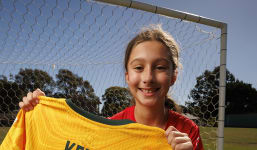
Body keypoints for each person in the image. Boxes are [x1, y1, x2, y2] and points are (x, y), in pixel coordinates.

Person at [19, 25, 204, 150]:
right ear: (127, 76)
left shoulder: (188, 131)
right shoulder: (110, 127)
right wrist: (39, 113)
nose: (147, 78)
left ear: (173, 76)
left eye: (160, 67)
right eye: (138, 67)